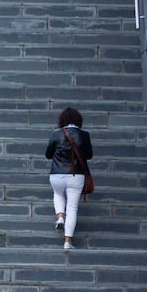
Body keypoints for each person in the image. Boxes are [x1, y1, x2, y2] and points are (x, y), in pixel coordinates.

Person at [46, 106, 94, 251]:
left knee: (58, 193)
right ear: (78, 120)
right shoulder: (84, 135)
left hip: (56, 174)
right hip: (76, 175)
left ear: (62, 120)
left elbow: (48, 154)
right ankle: (67, 242)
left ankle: (60, 216)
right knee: (72, 208)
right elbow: (89, 155)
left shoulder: (56, 134)